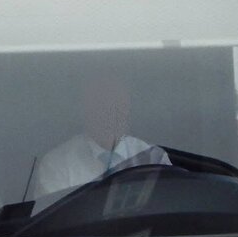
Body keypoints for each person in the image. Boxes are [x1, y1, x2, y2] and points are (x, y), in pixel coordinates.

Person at [35, 68, 170, 198]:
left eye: (117, 103)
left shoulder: (154, 158)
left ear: (128, 108)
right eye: (101, 103)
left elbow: (168, 207)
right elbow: (54, 213)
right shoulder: (57, 165)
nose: (110, 112)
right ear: (85, 109)